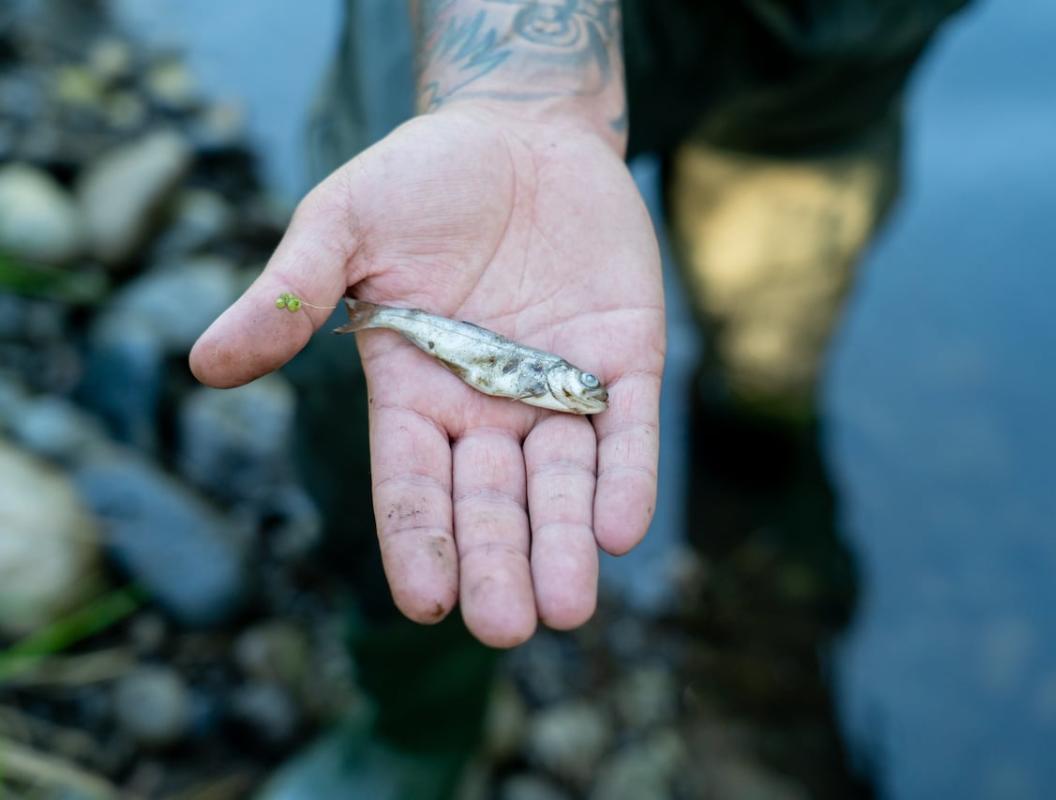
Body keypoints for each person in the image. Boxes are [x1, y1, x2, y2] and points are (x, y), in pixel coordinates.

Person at [191, 0, 965, 646]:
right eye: (580, 390)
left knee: (768, 354)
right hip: (497, 32)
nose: (585, 394)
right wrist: (519, 91)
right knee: (356, 398)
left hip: (844, 48)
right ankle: (416, 702)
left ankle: (757, 557)